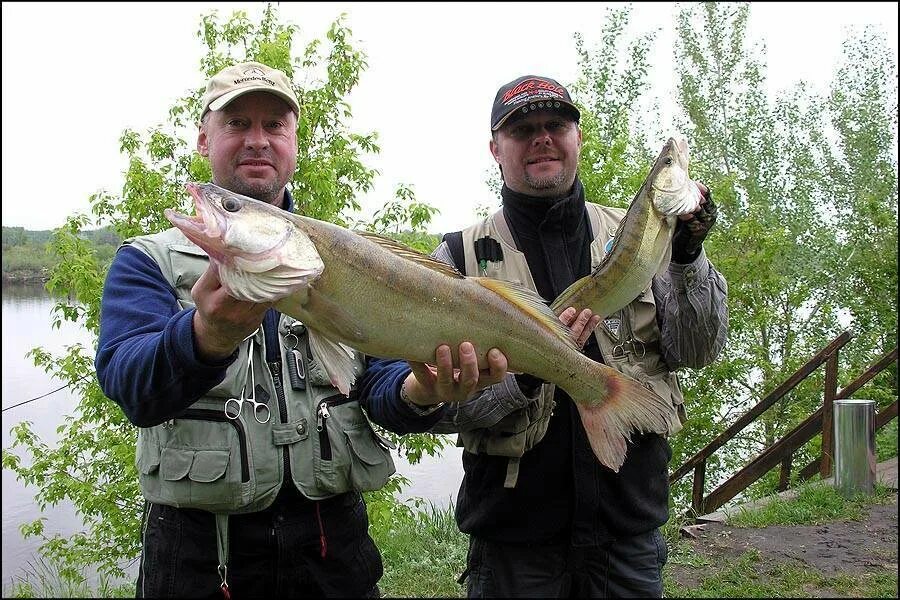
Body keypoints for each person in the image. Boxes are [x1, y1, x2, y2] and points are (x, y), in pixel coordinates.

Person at [358, 74, 728, 597]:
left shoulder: (639, 235)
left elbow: (697, 350)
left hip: (629, 536)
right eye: (523, 129)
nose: (542, 138)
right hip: (514, 547)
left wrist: (689, 256)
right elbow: (431, 408)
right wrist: (526, 375)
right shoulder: (455, 262)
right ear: (495, 149)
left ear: (578, 137)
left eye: (556, 124)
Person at [95, 61, 394, 598]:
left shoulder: (349, 258)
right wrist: (203, 338)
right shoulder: (147, 261)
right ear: (204, 139)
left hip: (334, 554)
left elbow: (380, 384)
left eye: (274, 125)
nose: (258, 141)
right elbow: (127, 383)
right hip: (199, 562)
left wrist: (425, 392)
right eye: (237, 124)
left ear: (294, 144)